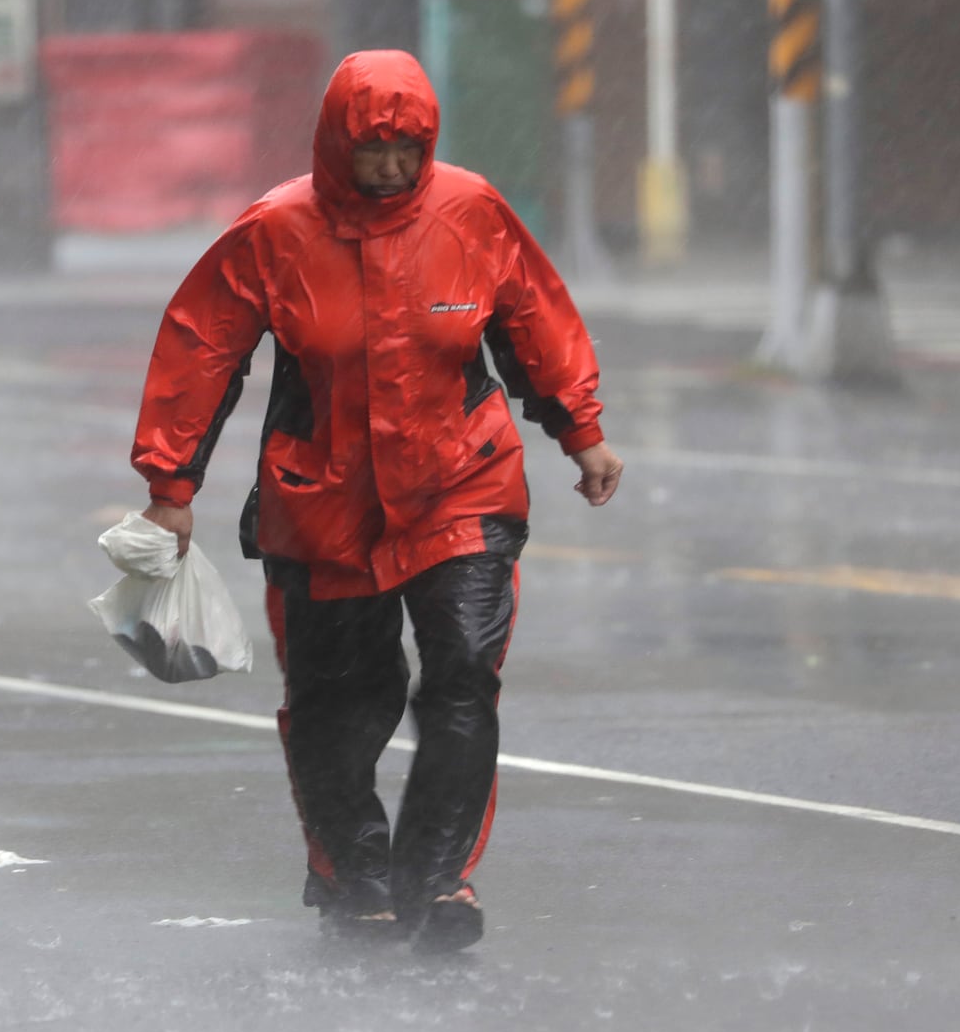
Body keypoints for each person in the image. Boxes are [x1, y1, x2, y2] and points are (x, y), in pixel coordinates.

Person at [131, 50, 622, 953]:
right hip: (324, 507)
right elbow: (202, 344)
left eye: (410, 148)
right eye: (375, 151)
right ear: (335, 147)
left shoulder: (470, 211)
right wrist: (171, 485)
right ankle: (353, 871)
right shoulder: (276, 230)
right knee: (342, 700)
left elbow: (534, 320)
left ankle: (439, 878)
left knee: (462, 677)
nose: (394, 168)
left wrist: (581, 431)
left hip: (460, 487)